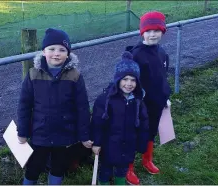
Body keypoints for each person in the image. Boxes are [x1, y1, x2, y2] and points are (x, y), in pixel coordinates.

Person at [16, 28, 93, 185]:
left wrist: (84, 135)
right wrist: (22, 132)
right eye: (51, 49)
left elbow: (83, 107)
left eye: (62, 49)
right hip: (40, 134)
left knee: (58, 167)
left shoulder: (75, 76)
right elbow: (24, 106)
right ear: (44, 51)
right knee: (33, 167)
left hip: (64, 134)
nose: (56, 53)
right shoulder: (32, 75)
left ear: (68, 53)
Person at [125, 11, 172, 184]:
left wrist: (165, 96)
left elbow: (162, 77)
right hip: (139, 104)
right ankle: (128, 167)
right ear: (142, 33)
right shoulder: (136, 55)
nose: (153, 35)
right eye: (149, 31)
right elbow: (129, 81)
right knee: (134, 133)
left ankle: (147, 160)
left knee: (151, 131)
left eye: (157, 31)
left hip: (156, 102)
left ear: (162, 32)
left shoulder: (162, 53)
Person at [91, 52, 149, 185]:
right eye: (125, 79)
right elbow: (97, 123)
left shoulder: (138, 101)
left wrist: (141, 143)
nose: (129, 84)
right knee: (105, 170)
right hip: (108, 145)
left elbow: (143, 123)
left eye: (133, 80)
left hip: (128, 145)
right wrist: (97, 143)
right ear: (118, 80)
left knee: (122, 170)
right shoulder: (105, 100)